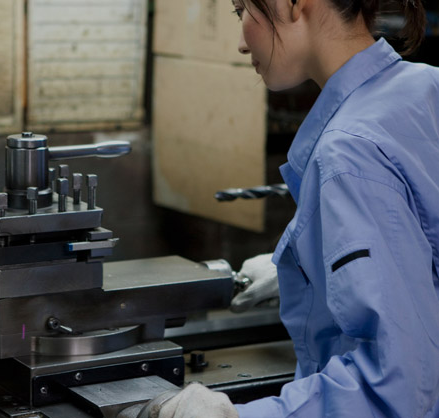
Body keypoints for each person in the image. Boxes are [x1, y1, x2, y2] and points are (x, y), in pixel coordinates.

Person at [141, 0, 439, 416]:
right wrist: (318, 269)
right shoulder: (425, 86)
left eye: (242, 10)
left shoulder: (348, 152)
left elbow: (396, 391)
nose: (241, 42)